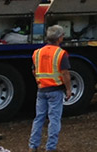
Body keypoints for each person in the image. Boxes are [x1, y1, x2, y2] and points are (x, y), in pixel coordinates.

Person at [29, 24, 73, 152]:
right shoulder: (61, 53)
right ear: (59, 38)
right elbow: (65, 73)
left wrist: (39, 81)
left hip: (42, 89)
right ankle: (51, 148)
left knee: (39, 118)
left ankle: (33, 146)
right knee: (54, 119)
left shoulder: (37, 53)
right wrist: (68, 89)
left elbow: (34, 70)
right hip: (55, 90)